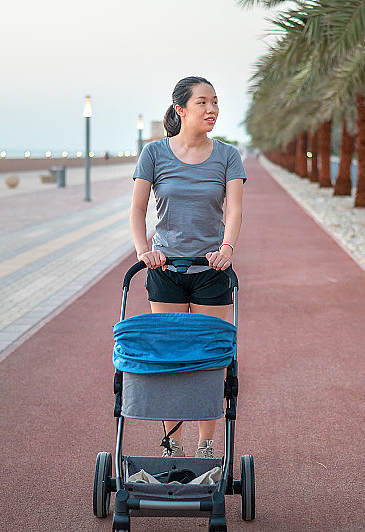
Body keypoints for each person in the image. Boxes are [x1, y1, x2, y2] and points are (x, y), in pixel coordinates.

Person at [130, 76, 246, 459]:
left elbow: (235, 209)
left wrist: (227, 248)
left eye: (215, 102)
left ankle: (207, 443)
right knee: (169, 357)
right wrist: (143, 251)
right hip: (166, 271)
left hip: (212, 269)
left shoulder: (228, 155)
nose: (212, 109)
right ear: (181, 110)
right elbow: (137, 209)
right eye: (202, 102)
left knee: (210, 357)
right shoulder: (154, 153)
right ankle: (172, 443)